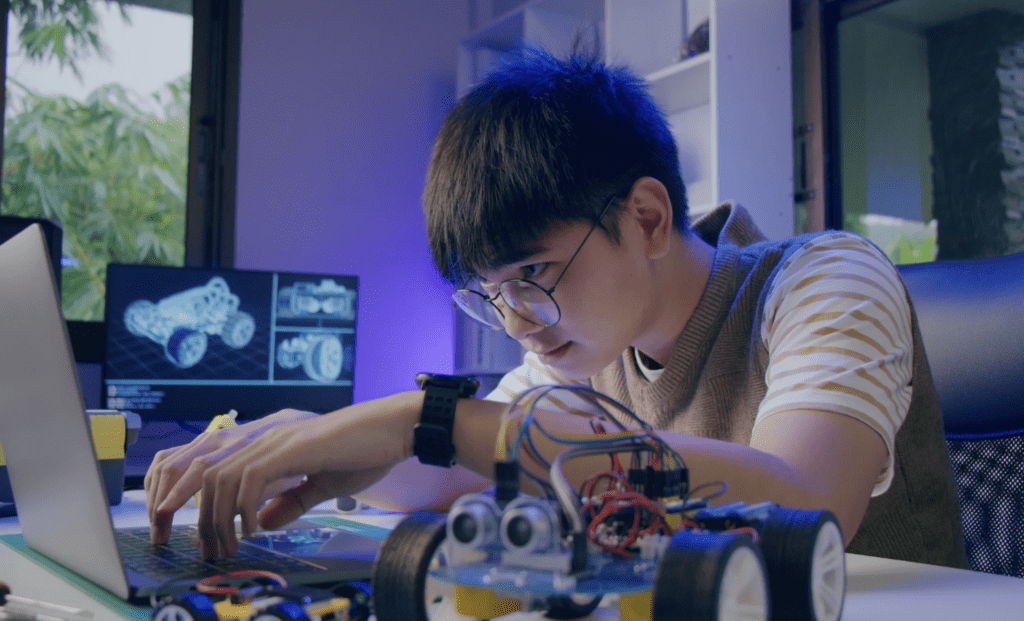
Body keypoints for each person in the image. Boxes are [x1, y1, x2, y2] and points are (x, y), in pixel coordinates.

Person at [145, 48, 968, 569]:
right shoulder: (576, 348)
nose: (515, 318)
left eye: (532, 271)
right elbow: (455, 465)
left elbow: (804, 497)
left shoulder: (826, 278)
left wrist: (420, 416)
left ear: (645, 217)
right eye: (491, 291)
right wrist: (304, 443)